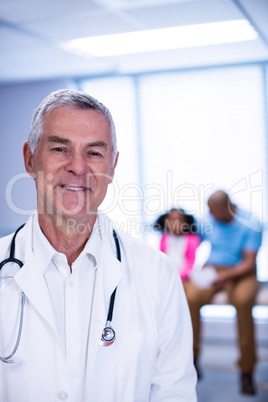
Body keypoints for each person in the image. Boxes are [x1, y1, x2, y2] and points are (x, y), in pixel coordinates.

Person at [0, 89, 197, 402]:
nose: (78, 167)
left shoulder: (157, 274)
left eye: (94, 153)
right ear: (30, 158)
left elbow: (174, 393)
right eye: (60, 148)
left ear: (113, 166)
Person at [186, 190, 262, 395]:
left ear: (227, 208)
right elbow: (191, 242)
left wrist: (225, 278)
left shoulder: (251, 224)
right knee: (190, 298)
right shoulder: (208, 220)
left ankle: (247, 370)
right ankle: (191, 360)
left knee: (243, 301)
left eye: (214, 212)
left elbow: (248, 262)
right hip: (213, 267)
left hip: (241, 271)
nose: (210, 216)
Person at [154, 208, 200, 290]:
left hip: (185, 277)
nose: (175, 223)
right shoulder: (164, 238)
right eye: (172, 220)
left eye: (179, 220)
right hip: (167, 275)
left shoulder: (192, 239)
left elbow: (190, 264)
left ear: (186, 223)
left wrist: (177, 275)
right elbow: (162, 259)